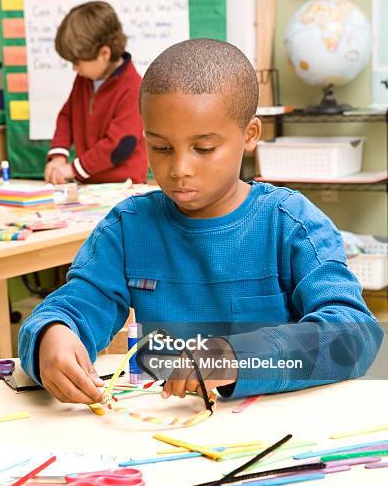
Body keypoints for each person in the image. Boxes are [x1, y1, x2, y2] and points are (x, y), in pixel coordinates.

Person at [20, 39, 383, 405]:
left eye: (204, 148)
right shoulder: (129, 228)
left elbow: (354, 335)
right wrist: (52, 335)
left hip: (271, 438)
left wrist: (237, 357)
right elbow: (73, 305)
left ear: (250, 135)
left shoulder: (291, 225)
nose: (179, 170)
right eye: (161, 148)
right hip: (162, 433)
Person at [44, 1, 147, 185]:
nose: (75, 68)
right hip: (89, 187)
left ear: (104, 53)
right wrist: (59, 156)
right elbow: (67, 116)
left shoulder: (133, 87)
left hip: (124, 187)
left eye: (78, 61)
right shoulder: (84, 80)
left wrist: (71, 169)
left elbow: (118, 146)